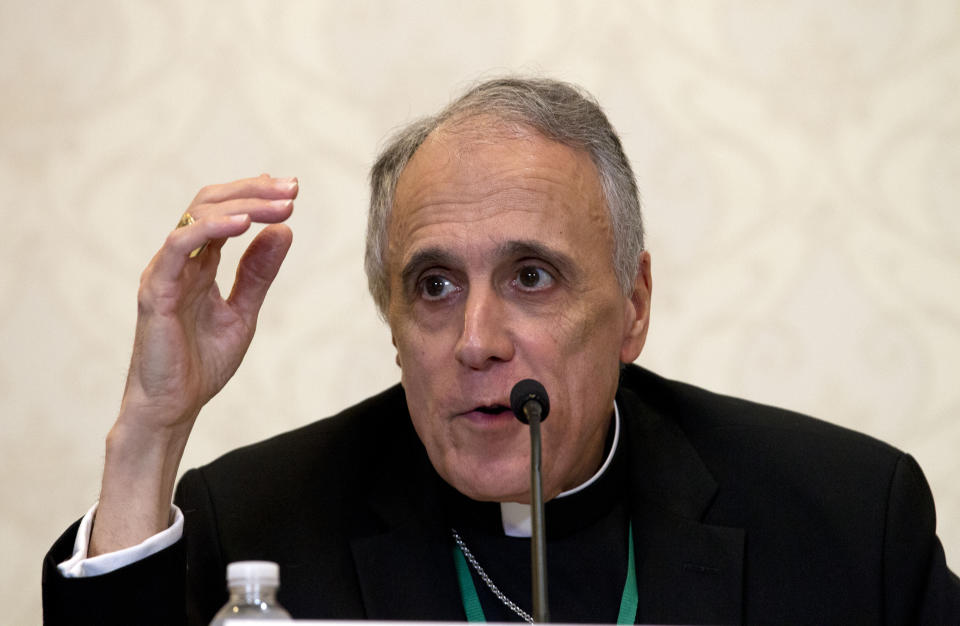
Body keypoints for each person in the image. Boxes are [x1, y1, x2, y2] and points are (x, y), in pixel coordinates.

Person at [43, 77, 959, 624]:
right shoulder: (256, 522)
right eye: (433, 287)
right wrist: (149, 433)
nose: (476, 341)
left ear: (632, 306)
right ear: (393, 321)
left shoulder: (849, 523)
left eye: (532, 277)